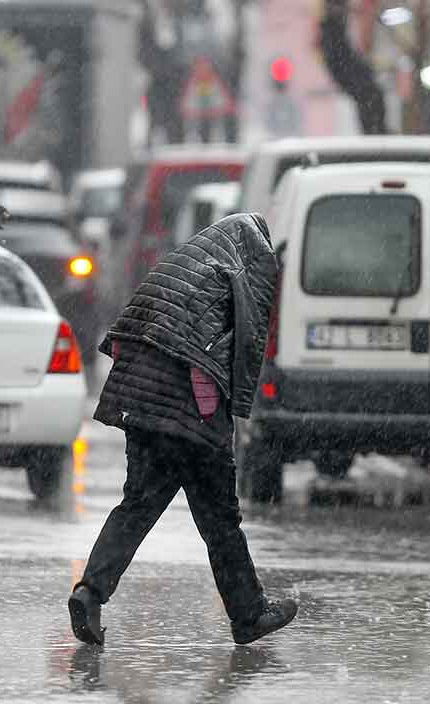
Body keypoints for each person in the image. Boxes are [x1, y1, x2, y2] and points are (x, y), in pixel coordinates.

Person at [68, 213, 298, 647]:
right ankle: (248, 615)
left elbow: (123, 335)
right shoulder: (241, 269)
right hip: (191, 414)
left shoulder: (181, 265)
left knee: (136, 507)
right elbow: (243, 344)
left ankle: (89, 592)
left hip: (141, 405)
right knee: (220, 522)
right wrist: (227, 417)